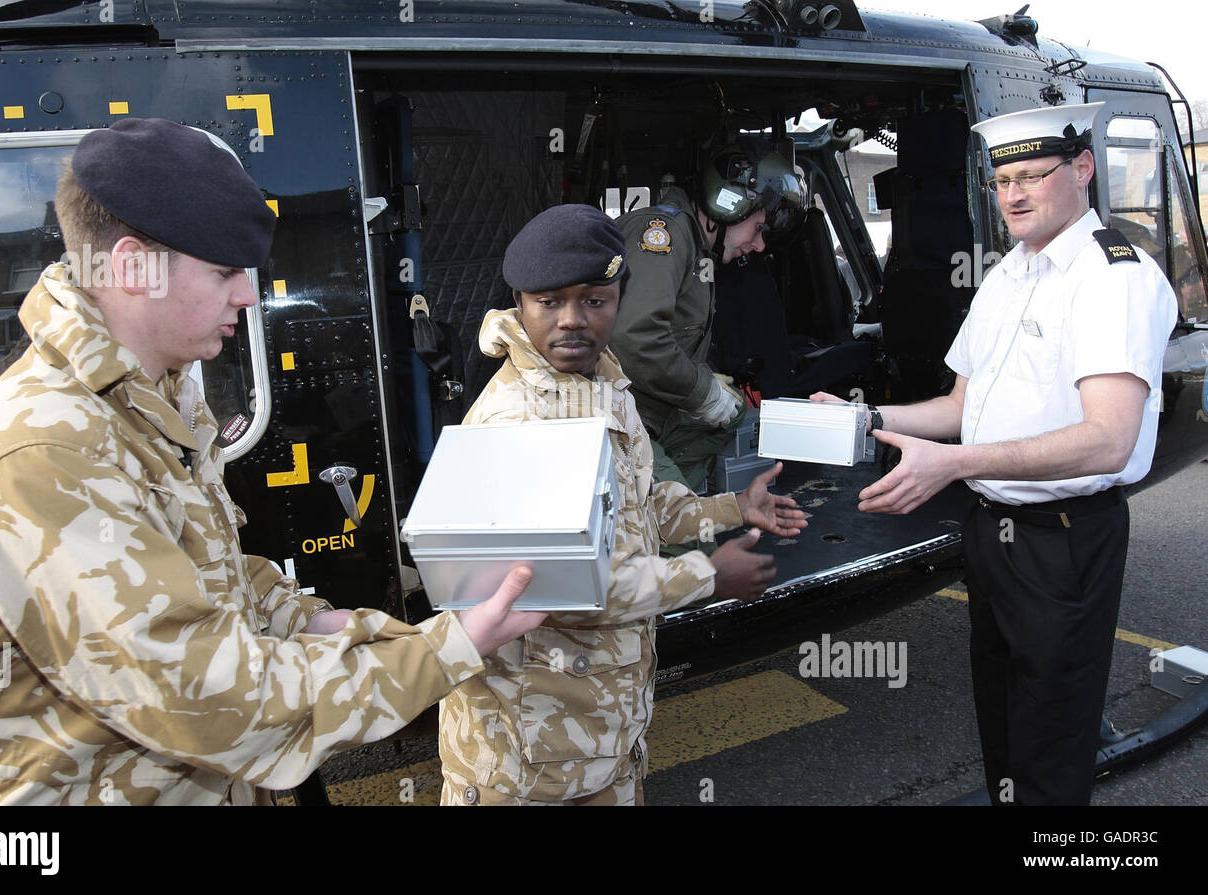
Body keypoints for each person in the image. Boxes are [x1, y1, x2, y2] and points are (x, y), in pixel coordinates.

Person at [0, 117, 544, 805]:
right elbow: (210, 701)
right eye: (223, 271)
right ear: (130, 267)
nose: (247, 294)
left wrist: (315, 621)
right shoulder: (42, 453)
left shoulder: (156, 393)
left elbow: (204, 570)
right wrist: (447, 648)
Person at [813, 102, 1178, 805]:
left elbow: (1110, 437)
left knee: (1051, 745)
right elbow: (960, 407)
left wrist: (952, 464)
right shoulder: (1011, 271)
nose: (1012, 194)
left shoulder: (1111, 277)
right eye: (1002, 179)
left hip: (1064, 539)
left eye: (1032, 176)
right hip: (995, 533)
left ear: (1082, 169)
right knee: (1004, 730)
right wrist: (868, 418)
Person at [438, 204, 807, 805]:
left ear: (620, 298)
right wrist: (707, 574)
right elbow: (564, 587)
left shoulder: (600, 384)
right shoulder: (522, 419)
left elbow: (640, 504)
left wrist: (732, 509)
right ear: (519, 302)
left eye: (595, 300)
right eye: (549, 303)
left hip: (596, 729)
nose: (572, 322)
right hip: (530, 756)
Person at [610, 142, 806, 493]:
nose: (759, 246)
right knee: (693, 538)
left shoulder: (697, 246)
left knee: (734, 418)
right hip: (619, 423)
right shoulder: (664, 236)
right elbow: (635, 339)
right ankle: (666, 512)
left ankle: (675, 492)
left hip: (650, 414)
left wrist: (705, 381)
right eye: (759, 228)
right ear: (728, 204)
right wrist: (703, 393)